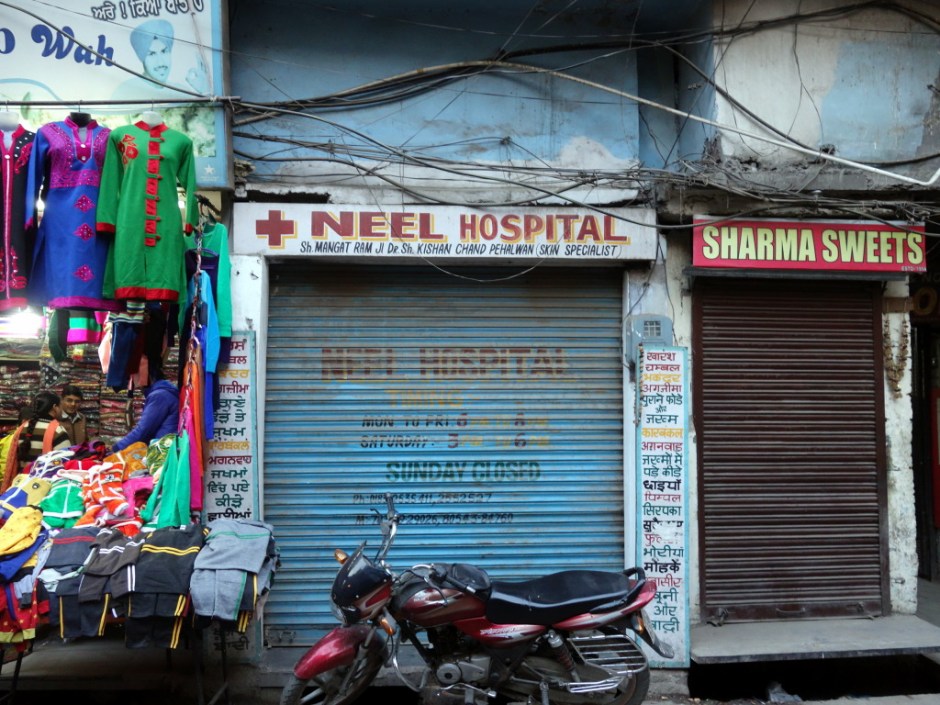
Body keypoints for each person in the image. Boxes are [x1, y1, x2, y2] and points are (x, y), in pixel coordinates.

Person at [111, 380, 180, 452]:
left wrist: (117, 447)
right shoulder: (164, 393)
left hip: (164, 450)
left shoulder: (159, 396)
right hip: (167, 446)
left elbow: (143, 430)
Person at [13, 392, 72, 470]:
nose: (61, 410)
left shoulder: (22, 428)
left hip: (22, 477)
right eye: (60, 406)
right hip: (44, 476)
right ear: (55, 407)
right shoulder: (57, 431)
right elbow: (65, 461)